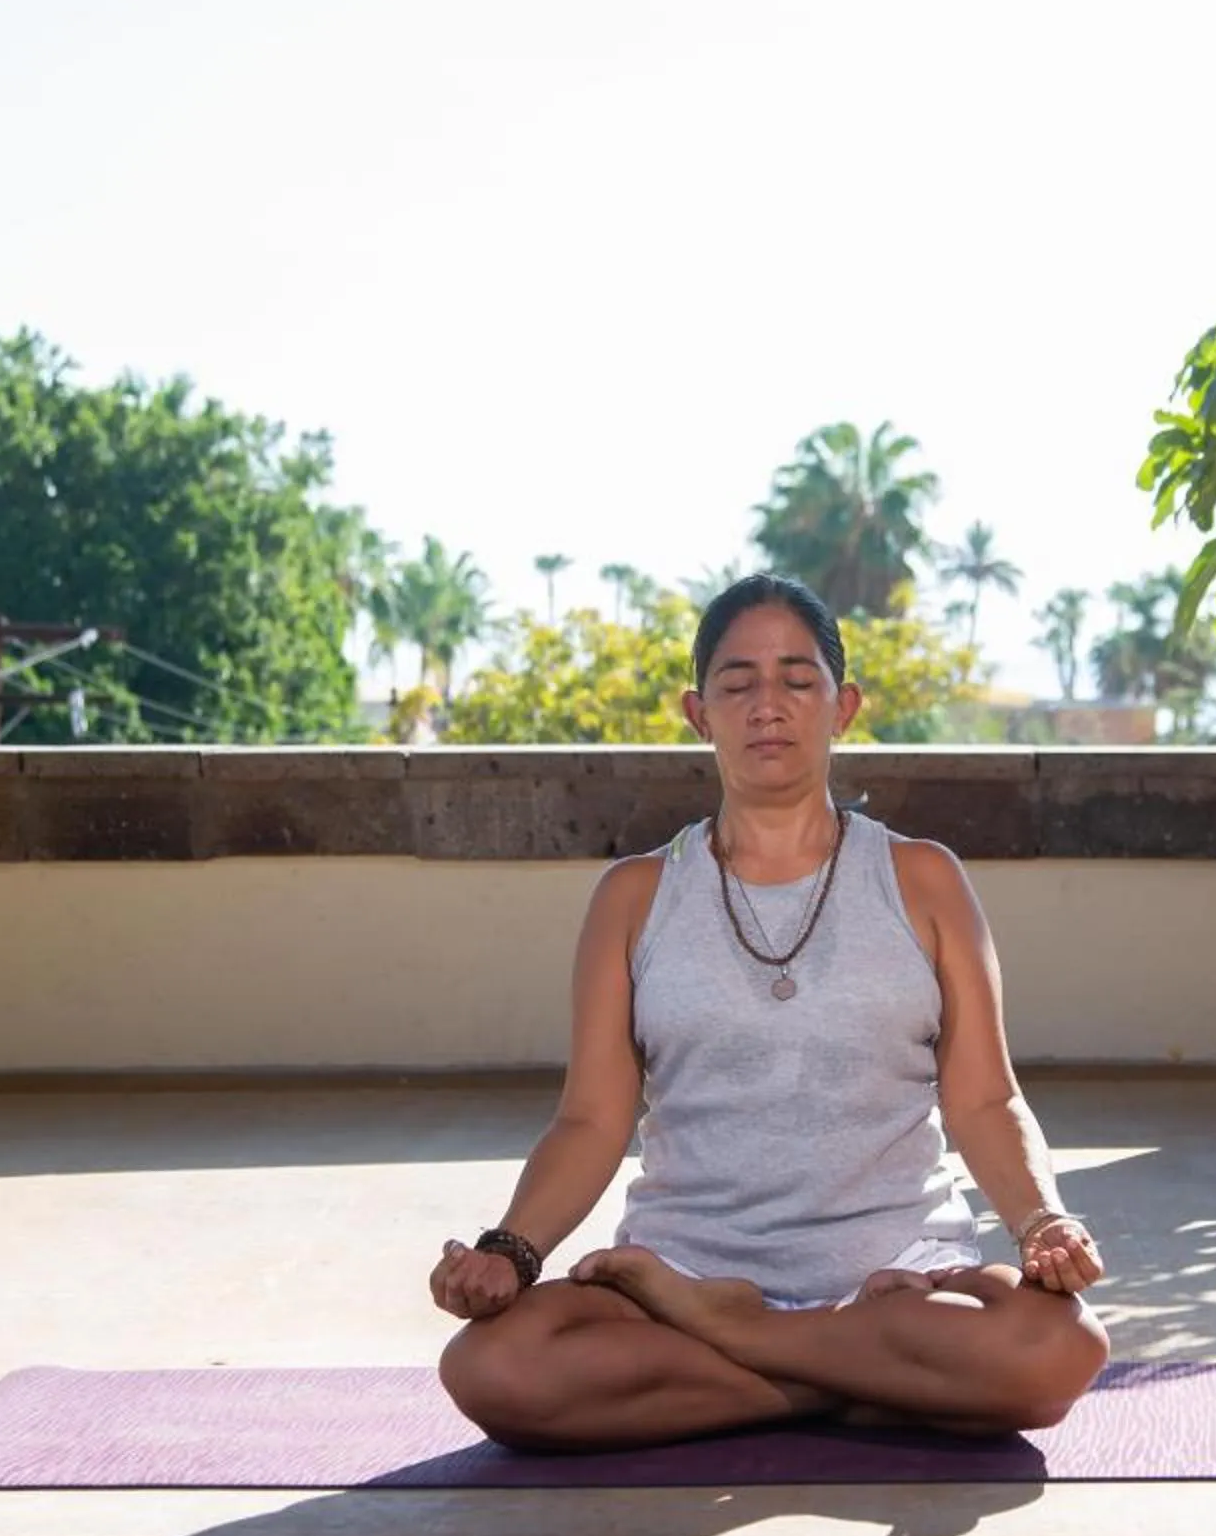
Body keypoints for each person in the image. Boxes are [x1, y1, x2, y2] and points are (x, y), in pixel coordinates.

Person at [430, 574, 1110, 1452]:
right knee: (492, 1370)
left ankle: (745, 1344)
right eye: (737, 683)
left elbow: (986, 1100)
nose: (768, 706)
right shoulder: (634, 897)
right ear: (696, 712)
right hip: (680, 1271)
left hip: (895, 1280)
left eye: (798, 680)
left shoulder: (924, 880)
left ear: (844, 707)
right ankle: (860, 1384)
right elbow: (592, 1119)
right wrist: (510, 1250)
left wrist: (1043, 1221)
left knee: (1059, 1351)